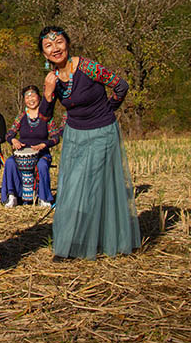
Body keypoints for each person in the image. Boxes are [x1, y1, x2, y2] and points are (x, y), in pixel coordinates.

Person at [39, 26, 141, 259]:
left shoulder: (88, 67)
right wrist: (47, 92)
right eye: (49, 46)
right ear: (44, 55)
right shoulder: (52, 79)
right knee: (71, 187)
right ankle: (71, 242)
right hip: (74, 135)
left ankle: (101, 240)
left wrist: (107, 110)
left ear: (68, 44)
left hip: (102, 133)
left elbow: (120, 86)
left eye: (59, 42)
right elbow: (44, 117)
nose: (55, 48)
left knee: (94, 187)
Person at [1, 85, 60, 207]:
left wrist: (44, 144)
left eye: (33, 96)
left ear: (39, 97)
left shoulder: (46, 117)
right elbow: (9, 134)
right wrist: (13, 141)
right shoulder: (21, 117)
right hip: (22, 155)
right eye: (27, 97)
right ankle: (13, 196)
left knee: (42, 165)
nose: (31, 99)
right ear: (24, 100)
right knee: (10, 162)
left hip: (41, 154)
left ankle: (44, 198)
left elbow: (55, 138)